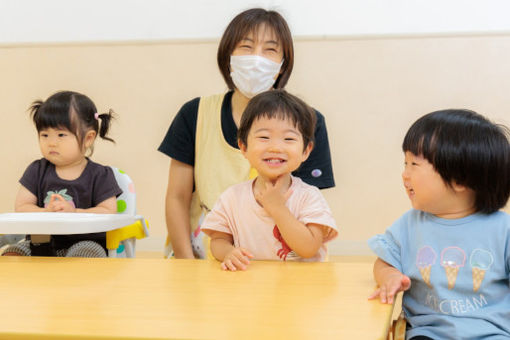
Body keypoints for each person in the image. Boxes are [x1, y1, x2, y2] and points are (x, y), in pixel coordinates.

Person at [158, 8, 335, 259]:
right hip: (208, 254)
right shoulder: (195, 113)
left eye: (270, 50)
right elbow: (177, 197)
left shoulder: (309, 121)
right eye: (246, 46)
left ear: (283, 63)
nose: (256, 58)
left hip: (285, 261)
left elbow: (309, 214)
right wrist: (187, 264)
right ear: (228, 54)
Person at [368, 109, 510, 339]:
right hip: (428, 332)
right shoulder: (409, 225)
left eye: (414, 164)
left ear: (460, 179)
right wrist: (390, 276)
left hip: (492, 333)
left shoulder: (503, 229)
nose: (405, 174)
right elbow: (384, 261)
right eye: (405, 163)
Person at [200, 90, 338, 270]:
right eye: (264, 137)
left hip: (301, 289)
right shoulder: (232, 197)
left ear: (306, 151)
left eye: (288, 138)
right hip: (251, 288)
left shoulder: (309, 197)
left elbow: (309, 249)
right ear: (243, 146)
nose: (275, 147)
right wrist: (227, 253)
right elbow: (218, 240)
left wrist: (277, 208)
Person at [2, 91, 122, 257]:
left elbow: (108, 212)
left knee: (88, 256)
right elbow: (21, 207)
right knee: (11, 255)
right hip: (39, 242)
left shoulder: (101, 175)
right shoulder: (36, 170)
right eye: (44, 135)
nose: (51, 142)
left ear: (88, 138)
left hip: (86, 243)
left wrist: (74, 213)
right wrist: (46, 212)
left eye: (61, 135)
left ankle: (70, 282)